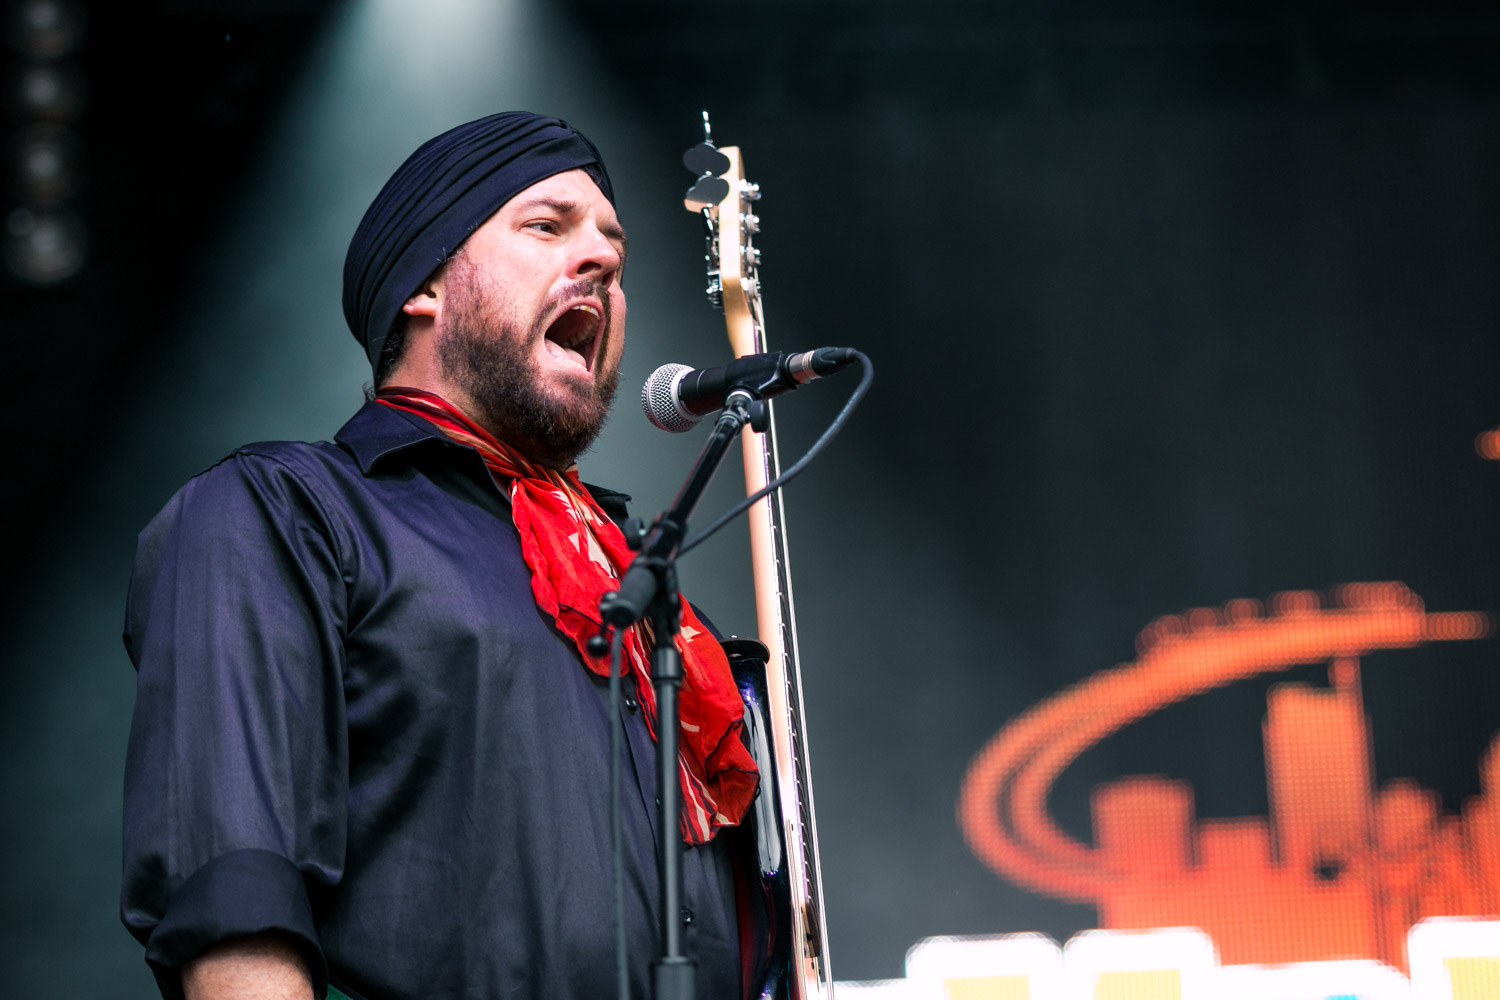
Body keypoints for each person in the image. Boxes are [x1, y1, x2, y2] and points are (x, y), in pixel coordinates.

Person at [121, 112, 765, 1000]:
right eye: (547, 226)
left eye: (614, 244)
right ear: (423, 285)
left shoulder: (628, 582)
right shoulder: (283, 510)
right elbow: (235, 888)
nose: (605, 262)